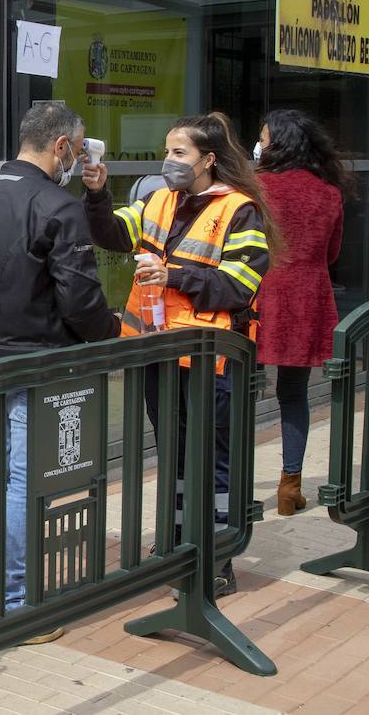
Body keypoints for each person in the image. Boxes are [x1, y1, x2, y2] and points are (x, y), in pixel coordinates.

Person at [0, 101, 119, 636]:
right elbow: (80, 298)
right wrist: (109, 333)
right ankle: (16, 601)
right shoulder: (57, 206)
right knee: (21, 480)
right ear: (61, 146)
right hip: (35, 363)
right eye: (79, 145)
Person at [84, 115, 273, 597]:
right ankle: (173, 541)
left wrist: (172, 277)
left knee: (216, 459)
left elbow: (239, 284)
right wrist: (98, 194)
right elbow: (111, 235)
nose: (169, 162)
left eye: (180, 153)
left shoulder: (239, 210)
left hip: (212, 358)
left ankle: (218, 555)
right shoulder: (156, 201)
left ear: (209, 159)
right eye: (167, 152)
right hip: (159, 353)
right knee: (174, 452)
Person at [253, 110, 349, 514]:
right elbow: (332, 253)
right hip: (308, 297)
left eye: (262, 138)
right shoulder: (328, 192)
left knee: (239, 392)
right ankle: (290, 487)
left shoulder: (254, 188)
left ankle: (234, 483)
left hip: (257, 294)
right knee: (293, 394)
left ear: (279, 143)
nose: (256, 145)